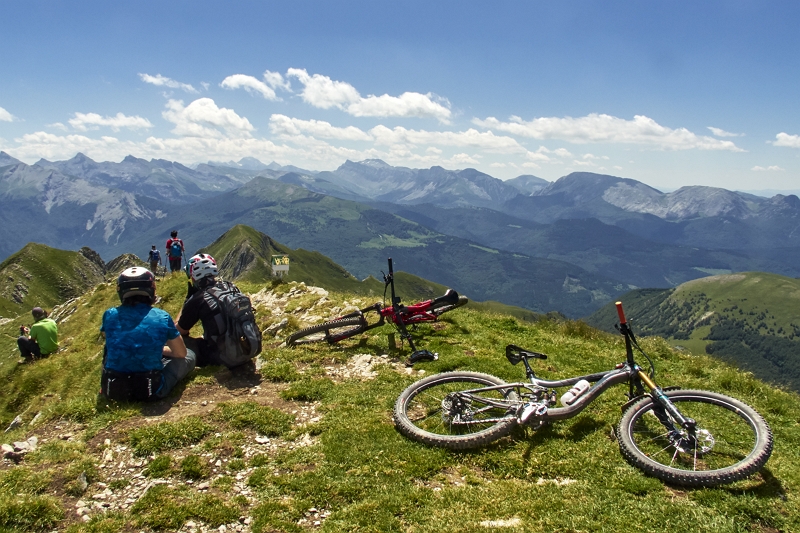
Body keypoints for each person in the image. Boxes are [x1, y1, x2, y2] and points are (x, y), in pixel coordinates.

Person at [100, 267, 196, 401]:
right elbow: (181, 353)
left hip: (113, 390)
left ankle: (104, 386)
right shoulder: (161, 316)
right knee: (190, 355)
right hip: (150, 390)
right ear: (151, 290)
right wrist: (158, 349)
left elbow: (107, 338)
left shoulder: (109, 315)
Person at [176, 253, 250, 369]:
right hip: (245, 348)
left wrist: (187, 301)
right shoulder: (230, 287)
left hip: (220, 356)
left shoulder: (198, 298)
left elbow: (179, 331)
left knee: (178, 340)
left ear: (194, 276)